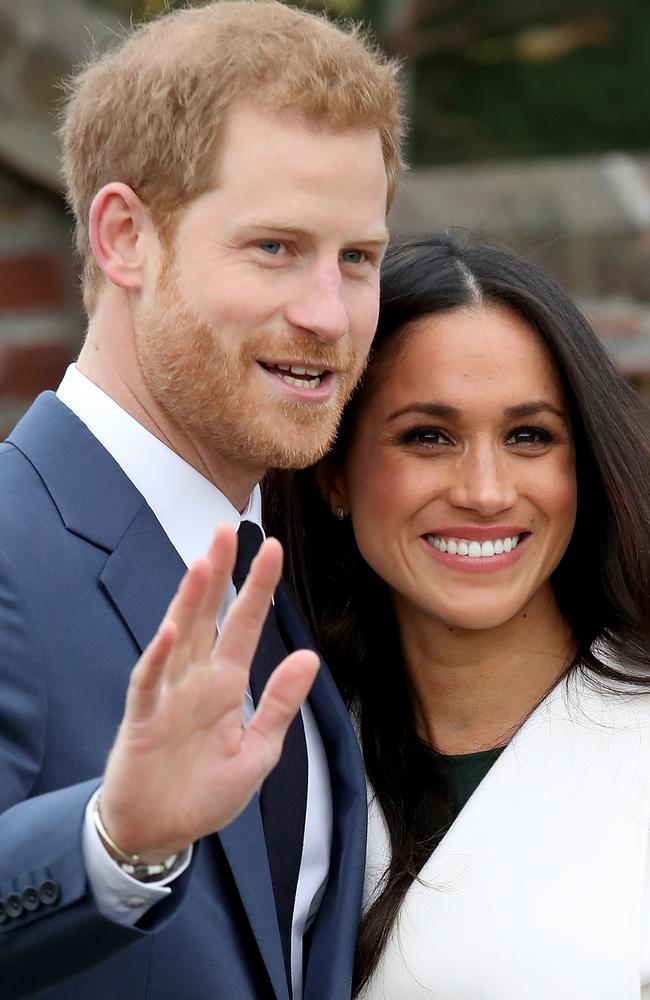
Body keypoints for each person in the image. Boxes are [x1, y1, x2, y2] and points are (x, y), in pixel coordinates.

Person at [0, 3, 403, 998]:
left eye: (356, 257)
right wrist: (112, 845)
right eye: (274, 247)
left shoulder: (296, 568)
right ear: (126, 236)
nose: (326, 315)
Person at [266, 232, 650, 999]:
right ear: (335, 475)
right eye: (428, 437)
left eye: (528, 436)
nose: (484, 489)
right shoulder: (278, 764)